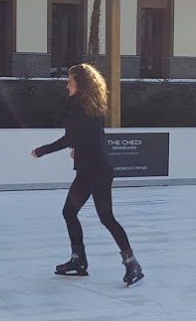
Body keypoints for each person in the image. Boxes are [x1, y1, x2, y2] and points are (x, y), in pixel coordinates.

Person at [31, 63, 144, 286]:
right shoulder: (87, 106)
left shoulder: (82, 108)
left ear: (80, 84)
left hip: (98, 172)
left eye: (70, 81)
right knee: (69, 212)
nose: (67, 85)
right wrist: (78, 148)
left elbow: (70, 138)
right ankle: (78, 260)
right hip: (87, 170)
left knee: (106, 218)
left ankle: (132, 263)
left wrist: (41, 151)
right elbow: (88, 137)